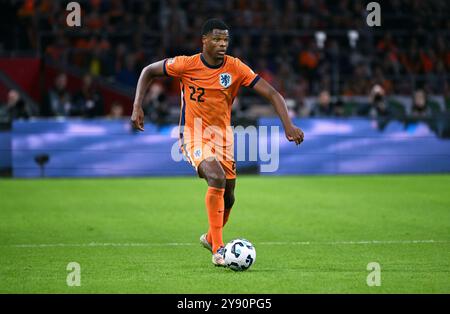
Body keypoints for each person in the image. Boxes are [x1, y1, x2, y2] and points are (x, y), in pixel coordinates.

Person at [130, 19, 304, 267]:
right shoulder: (186, 64)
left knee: (229, 198)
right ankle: (219, 249)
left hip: (223, 137)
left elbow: (272, 93)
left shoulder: (235, 68)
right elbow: (148, 70)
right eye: (217, 39)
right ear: (204, 40)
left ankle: (210, 237)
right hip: (193, 133)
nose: (222, 44)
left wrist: (288, 125)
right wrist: (137, 106)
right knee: (216, 177)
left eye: (225, 40)